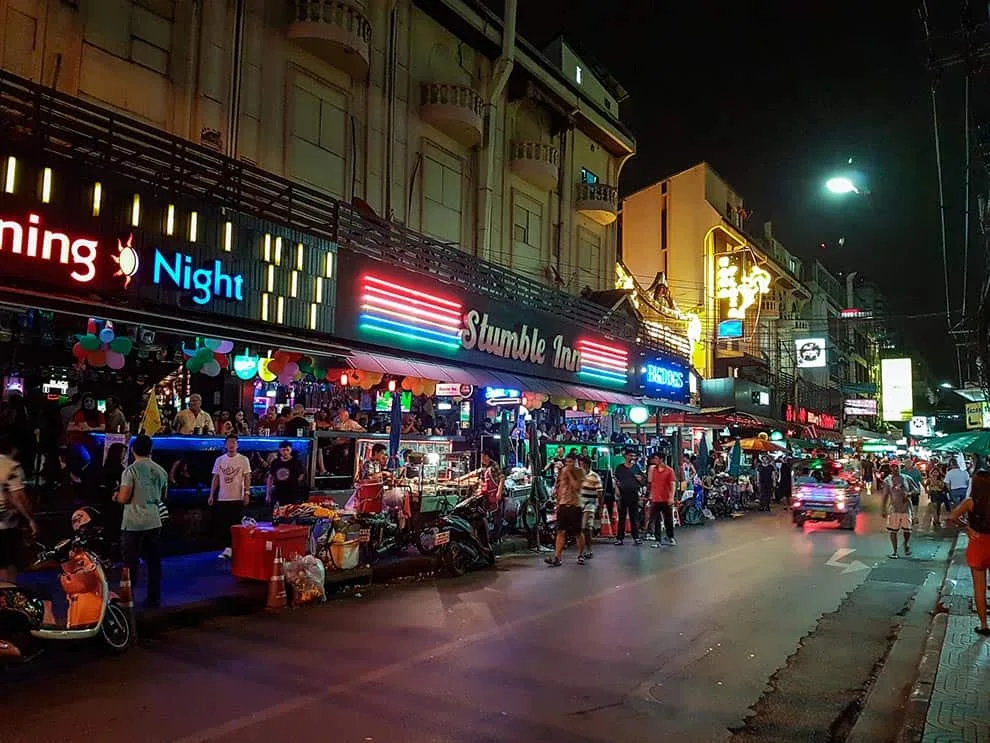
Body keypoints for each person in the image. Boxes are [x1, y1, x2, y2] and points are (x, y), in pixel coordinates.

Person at [113, 435, 167, 610]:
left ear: (133, 450)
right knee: (153, 562)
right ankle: (154, 598)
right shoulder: (161, 471)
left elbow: (124, 497)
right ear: (151, 450)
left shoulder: (130, 471)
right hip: (154, 521)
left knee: (130, 564)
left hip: (133, 523)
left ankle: (128, 599)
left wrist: (115, 496)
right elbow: (163, 496)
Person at [946, 470, 990, 635]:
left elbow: (952, 517)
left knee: (979, 588)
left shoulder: (970, 502)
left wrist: (967, 528)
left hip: (978, 545)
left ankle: (984, 625)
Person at [0, 436, 36, 584]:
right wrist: (30, 519)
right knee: (6, 563)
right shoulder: (11, 467)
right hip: (4, 525)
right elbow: (18, 496)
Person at [209, 435, 252, 559]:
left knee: (237, 523)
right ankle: (227, 548)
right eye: (229, 442)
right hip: (223, 497)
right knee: (224, 524)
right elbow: (215, 478)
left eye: (234, 442)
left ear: (238, 444)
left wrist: (247, 493)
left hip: (237, 497)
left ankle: (238, 548)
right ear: (225, 444)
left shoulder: (243, 459)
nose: (231, 445)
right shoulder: (219, 460)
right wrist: (212, 494)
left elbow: (247, 477)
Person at [545, 454, 584, 566]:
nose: (568, 465)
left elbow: (577, 487)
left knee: (577, 532)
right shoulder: (562, 472)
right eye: (567, 462)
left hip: (575, 505)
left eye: (571, 462)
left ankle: (581, 554)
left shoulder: (579, 472)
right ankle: (557, 557)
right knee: (560, 531)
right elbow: (559, 487)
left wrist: (570, 474)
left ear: (575, 462)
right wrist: (557, 502)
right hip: (563, 505)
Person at [882, 462, 917, 559]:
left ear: (900, 467)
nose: (895, 469)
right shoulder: (887, 481)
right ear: (890, 468)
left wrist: (909, 494)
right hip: (894, 509)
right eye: (893, 467)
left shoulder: (907, 478)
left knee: (907, 530)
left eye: (896, 467)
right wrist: (883, 509)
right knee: (893, 531)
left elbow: (916, 490)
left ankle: (906, 544)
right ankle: (894, 551)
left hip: (906, 508)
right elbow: (884, 496)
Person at [613, 448, 644, 545]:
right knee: (621, 517)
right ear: (625, 456)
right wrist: (617, 489)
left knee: (634, 517)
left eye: (634, 456)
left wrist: (640, 479)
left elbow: (643, 481)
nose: (633, 457)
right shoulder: (619, 468)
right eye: (631, 455)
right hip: (622, 494)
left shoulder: (636, 467)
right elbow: (616, 480)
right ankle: (620, 538)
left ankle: (636, 537)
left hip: (634, 494)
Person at [648, 453, 676, 547]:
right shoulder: (653, 470)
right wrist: (651, 495)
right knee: (656, 520)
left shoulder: (669, 471)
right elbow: (651, 482)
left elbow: (672, 484)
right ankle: (658, 540)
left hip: (666, 498)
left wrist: (671, 497)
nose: (654, 460)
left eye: (655, 458)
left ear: (661, 459)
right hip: (656, 499)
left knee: (668, 520)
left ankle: (670, 537)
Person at [266, 441, 306, 506]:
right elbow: (270, 478)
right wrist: (268, 494)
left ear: (291, 449)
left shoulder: (297, 462)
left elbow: (301, 475)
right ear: (279, 450)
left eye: (287, 450)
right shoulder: (275, 462)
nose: (285, 452)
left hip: (292, 493)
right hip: (278, 493)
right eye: (283, 450)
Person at [578, 454, 602, 560]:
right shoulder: (578, 475)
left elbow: (599, 492)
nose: (580, 466)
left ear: (587, 465)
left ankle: (586, 550)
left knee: (585, 528)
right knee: (582, 529)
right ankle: (584, 550)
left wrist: (600, 506)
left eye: (582, 464)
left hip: (590, 505)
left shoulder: (594, 476)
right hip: (579, 504)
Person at [925, 463, 948, 528]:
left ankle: (937, 519)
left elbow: (941, 486)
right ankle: (935, 520)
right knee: (934, 507)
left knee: (938, 508)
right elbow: (926, 485)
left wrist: (933, 479)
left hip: (939, 494)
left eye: (936, 472)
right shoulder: (929, 479)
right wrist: (926, 490)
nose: (935, 474)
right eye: (934, 472)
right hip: (933, 493)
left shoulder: (941, 479)